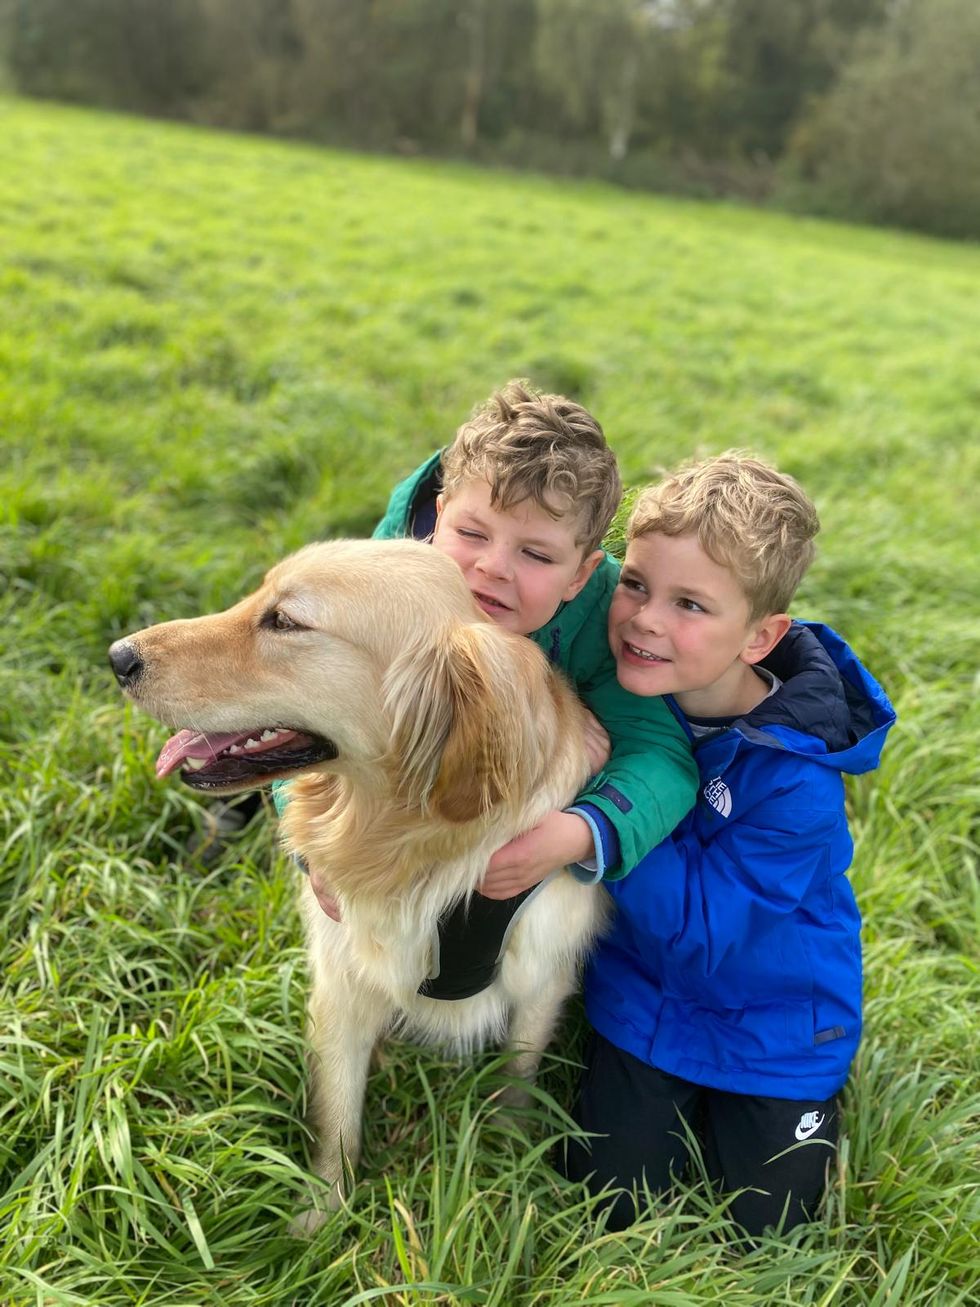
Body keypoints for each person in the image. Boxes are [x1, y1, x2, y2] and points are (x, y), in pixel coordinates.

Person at [564, 452, 895, 1239]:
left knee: (767, 1227)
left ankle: (793, 1111)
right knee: (607, 1201)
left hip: (777, 1021)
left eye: (689, 603)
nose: (644, 619)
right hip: (643, 994)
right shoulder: (619, 692)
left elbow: (705, 930)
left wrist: (597, 816)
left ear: (759, 636)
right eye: (635, 583)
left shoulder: (796, 781)